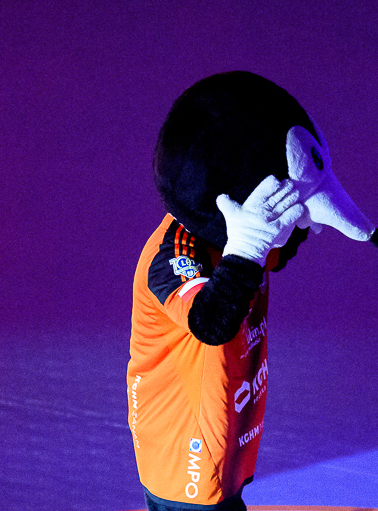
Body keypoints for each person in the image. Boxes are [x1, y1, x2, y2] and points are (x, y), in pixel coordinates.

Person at [127, 72, 314, 511]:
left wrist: (305, 208)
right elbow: (212, 321)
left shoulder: (238, 229)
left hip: (226, 436)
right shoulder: (173, 254)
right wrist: (248, 246)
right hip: (183, 460)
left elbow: (278, 253)